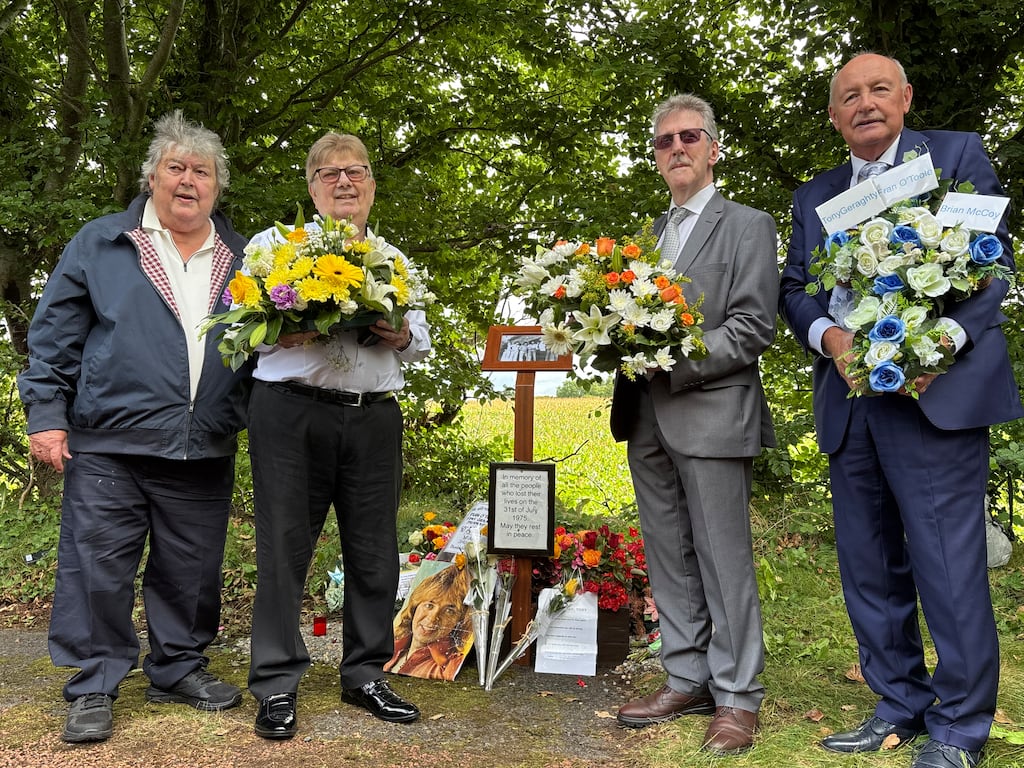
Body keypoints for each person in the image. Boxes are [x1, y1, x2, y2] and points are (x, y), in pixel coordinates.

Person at [779, 53, 1022, 768]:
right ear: (834, 116)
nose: (866, 103)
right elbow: (794, 289)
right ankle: (898, 705)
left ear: (906, 97)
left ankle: (961, 728)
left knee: (947, 564)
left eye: (879, 89)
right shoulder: (814, 197)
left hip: (932, 395)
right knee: (869, 565)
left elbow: (993, 262)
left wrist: (940, 343)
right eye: (849, 96)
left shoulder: (954, 157)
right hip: (850, 398)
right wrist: (831, 337)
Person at [17, 111, 251, 743]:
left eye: (202, 171)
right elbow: (54, 335)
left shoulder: (247, 259)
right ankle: (94, 682)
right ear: (152, 177)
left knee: (191, 569)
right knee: (98, 567)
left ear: (217, 187)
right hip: (109, 441)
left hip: (203, 444)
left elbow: (264, 352)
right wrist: (47, 416)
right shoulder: (103, 243)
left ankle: (177, 668)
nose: (188, 180)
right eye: (176, 167)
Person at [246, 132, 431, 740]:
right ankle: (276, 682)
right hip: (290, 412)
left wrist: (401, 335)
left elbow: (421, 342)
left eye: (356, 172)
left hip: (373, 414)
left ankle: (365, 674)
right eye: (330, 174)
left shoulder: (393, 259)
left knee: (374, 550)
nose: (344, 182)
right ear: (311, 186)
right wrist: (284, 329)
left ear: (372, 184)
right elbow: (243, 331)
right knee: (283, 546)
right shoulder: (273, 248)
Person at [610, 94, 778, 755]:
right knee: (667, 554)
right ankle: (687, 678)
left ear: (713, 148)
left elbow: (752, 325)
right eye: (664, 140)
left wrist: (672, 361)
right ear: (655, 157)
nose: (676, 147)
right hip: (644, 415)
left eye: (689, 136)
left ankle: (736, 696)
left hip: (711, 411)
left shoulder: (748, 225)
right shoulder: (645, 237)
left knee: (722, 559)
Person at [385, 564, 473, 681]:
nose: (432, 618)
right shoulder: (392, 646)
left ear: (459, 622)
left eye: (449, 611)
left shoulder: (448, 667)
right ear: (415, 607)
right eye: (429, 605)